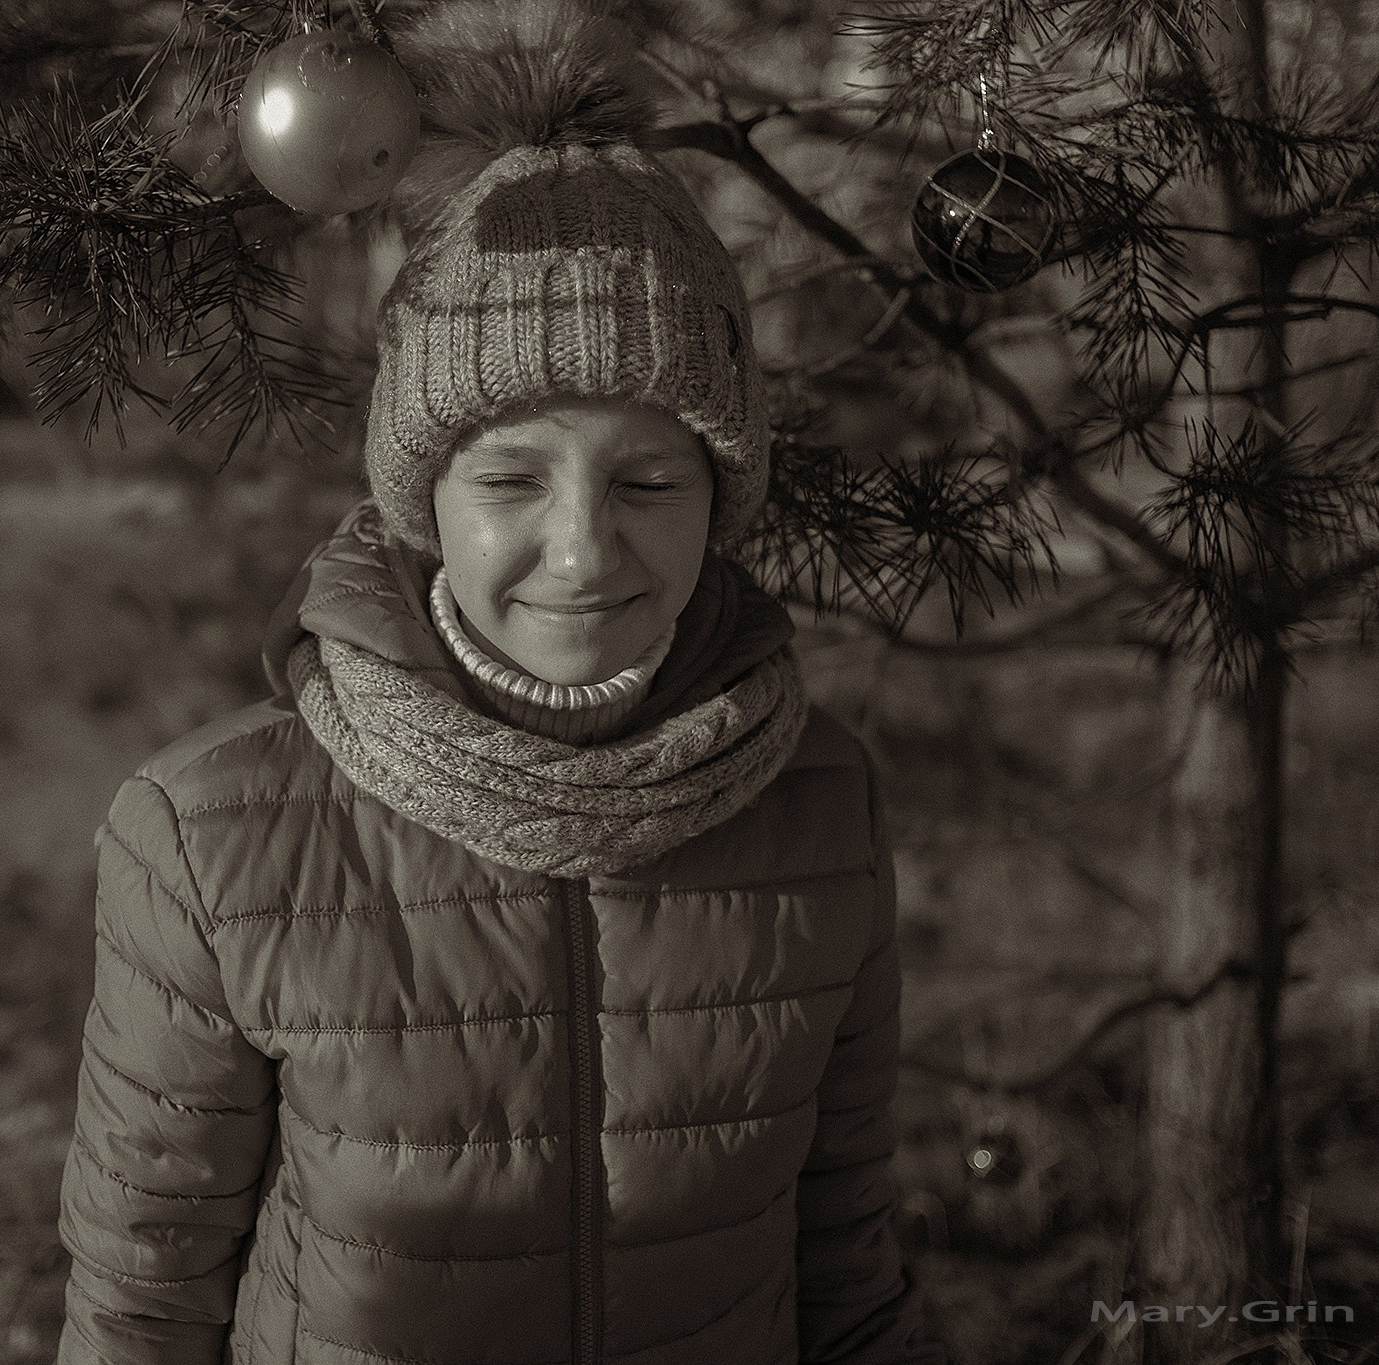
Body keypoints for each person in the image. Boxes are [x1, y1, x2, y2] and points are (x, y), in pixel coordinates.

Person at [55, 3, 945, 1361]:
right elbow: (142, 1309)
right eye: (512, 478)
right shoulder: (207, 841)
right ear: (423, 501)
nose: (585, 551)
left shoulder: (821, 804)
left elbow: (850, 1271)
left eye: (649, 478)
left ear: (723, 495)